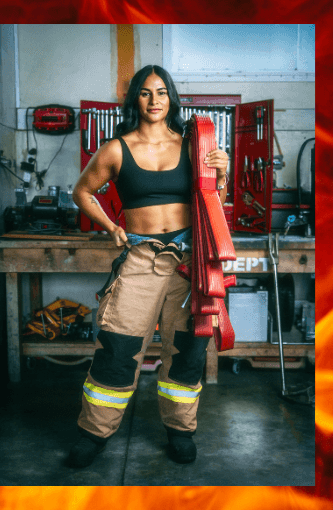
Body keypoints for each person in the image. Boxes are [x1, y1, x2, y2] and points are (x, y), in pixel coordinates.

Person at [69, 65, 229, 467]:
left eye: (161, 92)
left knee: (189, 350)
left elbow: (214, 202)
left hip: (187, 264)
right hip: (140, 260)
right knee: (117, 349)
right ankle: (93, 434)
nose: (154, 100)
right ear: (134, 100)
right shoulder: (116, 149)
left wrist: (221, 173)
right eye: (145, 93)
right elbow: (83, 192)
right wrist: (109, 226)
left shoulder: (194, 145)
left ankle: (180, 431)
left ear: (170, 98)